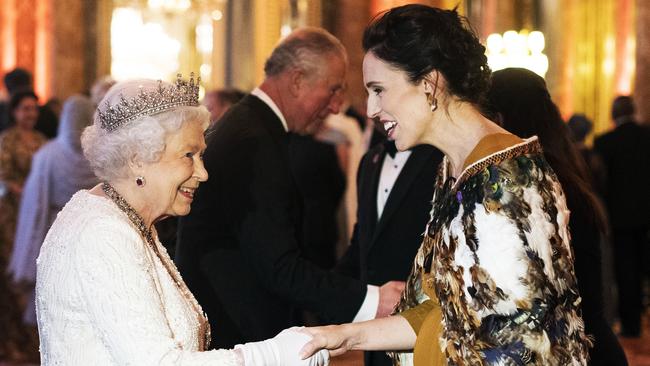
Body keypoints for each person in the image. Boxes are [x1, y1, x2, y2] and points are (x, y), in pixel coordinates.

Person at [300, 5, 591, 365]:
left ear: (429, 84)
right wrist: (342, 334)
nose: (371, 108)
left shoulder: (506, 180)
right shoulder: (454, 167)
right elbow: (441, 309)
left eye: (379, 89)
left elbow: (521, 349)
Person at [34, 77, 329, 365]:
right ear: (138, 158)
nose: (203, 173)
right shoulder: (103, 234)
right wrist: (275, 354)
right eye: (189, 155)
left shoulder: (128, 219)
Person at [175, 27, 404, 349]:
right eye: (333, 90)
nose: (337, 106)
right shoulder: (253, 141)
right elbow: (278, 266)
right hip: (238, 333)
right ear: (297, 81)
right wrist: (374, 299)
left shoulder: (253, 126)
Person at [486, 67, 627, 366]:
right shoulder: (562, 175)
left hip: (575, 351)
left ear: (500, 119)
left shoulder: (538, 188)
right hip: (591, 345)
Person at [335, 123, 443, 366]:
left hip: (419, 325)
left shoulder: (441, 159)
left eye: (380, 91)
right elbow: (361, 243)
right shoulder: (370, 160)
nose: (372, 108)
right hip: (372, 326)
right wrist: (329, 295)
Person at [9, 95, 98, 326]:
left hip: (54, 232)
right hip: (92, 234)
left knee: (55, 300)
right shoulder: (101, 159)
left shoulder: (47, 155)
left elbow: (35, 207)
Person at [594, 96, 650, 338]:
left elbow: (599, 180)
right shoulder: (647, 136)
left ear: (613, 114)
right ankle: (641, 311)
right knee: (644, 265)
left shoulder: (605, 141)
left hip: (618, 216)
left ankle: (631, 324)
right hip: (647, 214)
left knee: (625, 269)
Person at [0, 89, 47, 362]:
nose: (30, 114)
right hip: (12, 216)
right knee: (12, 277)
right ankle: (11, 342)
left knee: (34, 275)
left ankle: (32, 342)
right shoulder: (7, 140)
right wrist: (28, 194)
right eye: (25, 109)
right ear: (15, 112)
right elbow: (4, 175)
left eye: (34, 109)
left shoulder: (42, 141)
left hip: (36, 216)